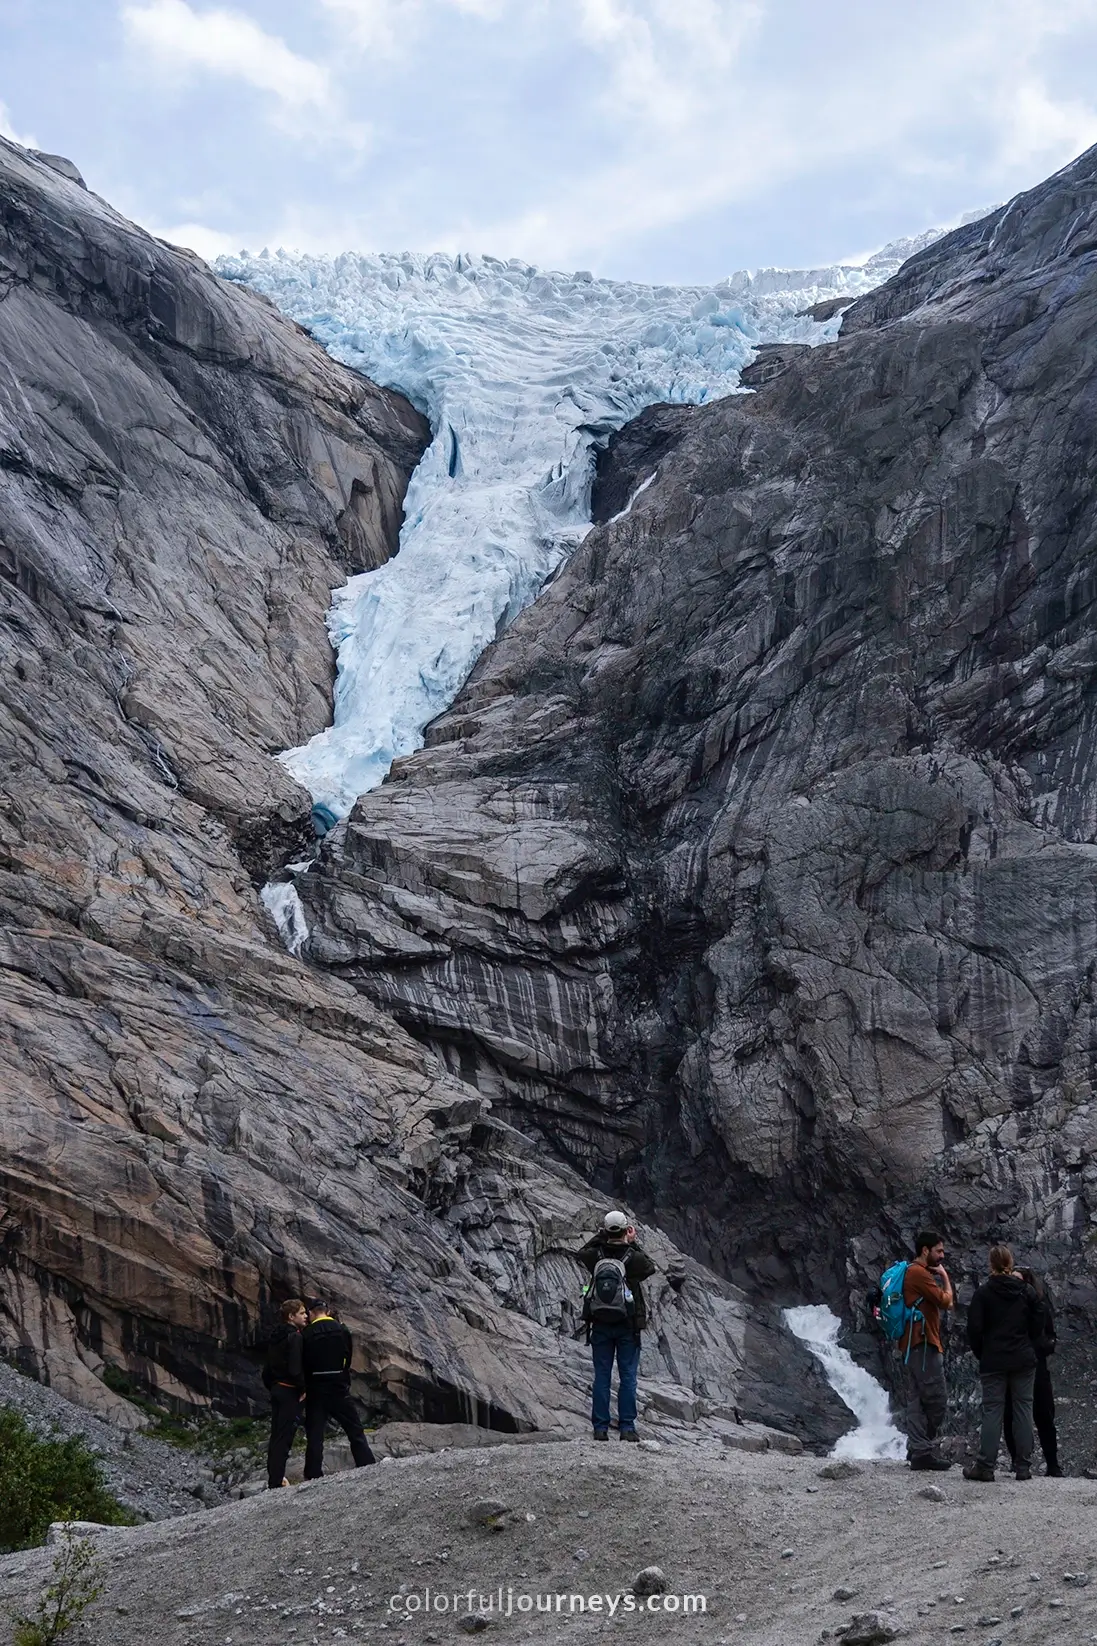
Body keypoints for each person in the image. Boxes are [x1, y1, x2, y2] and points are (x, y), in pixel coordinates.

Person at [963, 1244, 1042, 1483]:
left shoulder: (984, 1293)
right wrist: (1029, 1343)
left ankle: (986, 1466)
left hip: (994, 1359)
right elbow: (1040, 1317)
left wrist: (983, 1352)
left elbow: (974, 1329)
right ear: (1010, 1262)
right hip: (1023, 1358)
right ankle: (1023, 1467)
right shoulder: (1026, 1291)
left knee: (992, 1410)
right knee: (1023, 1409)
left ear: (991, 1264)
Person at [577, 1210, 656, 1442]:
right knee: (628, 1376)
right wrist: (633, 1243)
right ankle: (627, 1428)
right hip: (628, 1325)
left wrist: (601, 1236)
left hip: (600, 1323)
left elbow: (581, 1253)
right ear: (625, 1230)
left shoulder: (595, 1255)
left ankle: (600, 1428)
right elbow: (650, 1267)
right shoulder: (634, 1258)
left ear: (606, 1230)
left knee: (602, 1376)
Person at [302, 1297, 376, 1479]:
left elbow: (303, 1362)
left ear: (311, 1313)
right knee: (354, 1428)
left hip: (316, 1387)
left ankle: (313, 1474)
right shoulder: (341, 1330)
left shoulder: (306, 1334)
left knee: (315, 1434)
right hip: (338, 1385)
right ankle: (366, 1464)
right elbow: (347, 1357)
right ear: (326, 1311)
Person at [899, 1229, 955, 1471]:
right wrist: (944, 1276)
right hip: (923, 1343)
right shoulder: (918, 1273)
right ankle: (922, 1450)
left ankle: (918, 1450)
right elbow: (947, 1301)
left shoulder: (914, 1272)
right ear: (925, 1250)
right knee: (936, 1400)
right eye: (939, 1251)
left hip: (915, 1343)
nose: (942, 1255)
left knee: (919, 1399)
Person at [1003, 1268, 1061, 1476]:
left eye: (1018, 1280)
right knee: (1010, 1415)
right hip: (1015, 1366)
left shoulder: (1040, 1307)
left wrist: (1041, 1348)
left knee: (1044, 1414)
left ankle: (1053, 1465)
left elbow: (1051, 1335)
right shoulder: (1009, 1308)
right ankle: (1016, 1461)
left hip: (1037, 1366)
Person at [263, 1298, 306, 1489]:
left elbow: (266, 1370)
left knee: (276, 1435)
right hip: (289, 1390)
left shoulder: (274, 1337)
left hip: (276, 1388)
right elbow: (296, 1368)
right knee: (285, 1436)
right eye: (302, 1313)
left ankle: (274, 1476)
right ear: (291, 1316)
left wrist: (272, 1386)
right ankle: (276, 1481)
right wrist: (303, 1388)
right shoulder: (295, 1337)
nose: (306, 1316)